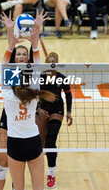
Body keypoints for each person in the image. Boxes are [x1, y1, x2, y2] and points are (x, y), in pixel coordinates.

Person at [0, 9, 54, 190]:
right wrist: (36, 33)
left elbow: (5, 66)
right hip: (33, 140)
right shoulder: (34, 92)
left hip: (14, 142)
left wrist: (10, 44)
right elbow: (37, 62)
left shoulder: (7, 93)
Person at [36, 52, 73, 189]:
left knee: (51, 141)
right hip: (41, 110)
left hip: (57, 110)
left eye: (54, 61)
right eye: (49, 61)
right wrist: (39, 108)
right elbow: (34, 95)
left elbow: (69, 96)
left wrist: (69, 112)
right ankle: (38, 173)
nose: (52, 63)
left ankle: (51, 174)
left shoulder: (62, 78)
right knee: (40, 143)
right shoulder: (40, 78)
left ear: (57, 63)